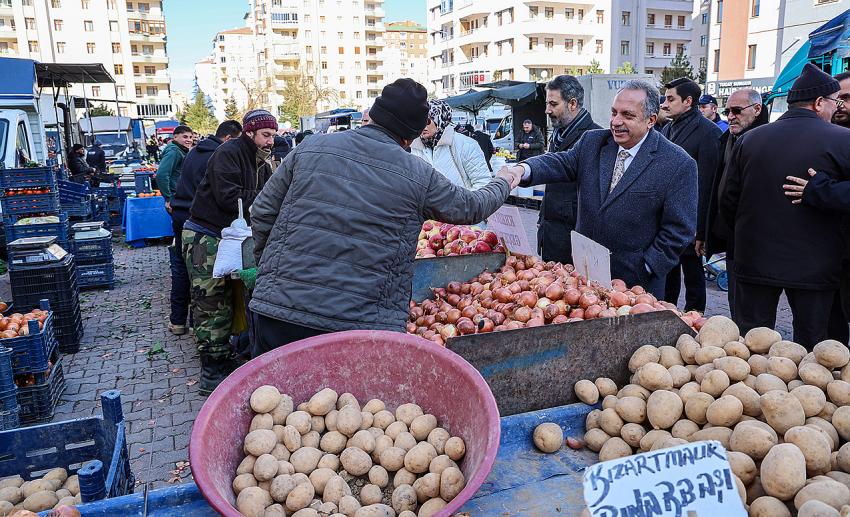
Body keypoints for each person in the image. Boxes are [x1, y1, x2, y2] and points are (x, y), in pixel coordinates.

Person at [248, 79, 515, 356]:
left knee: (274, 397)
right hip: (361, 325)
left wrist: (271, 270)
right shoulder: (417, 174)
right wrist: (504, 181)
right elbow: (471, 207)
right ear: (410, 135)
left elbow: (262, 211)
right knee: (351, 399)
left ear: (373, 114)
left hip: (279, 313)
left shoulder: (309, 148)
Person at [501, 80, 698, 297]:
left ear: (650, 120)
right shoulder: (593, 142)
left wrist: (647, 266)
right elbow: (560, 162)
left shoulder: (678, 163)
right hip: (585, 278)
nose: (616, 122)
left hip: (636, 287)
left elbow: (679, 230)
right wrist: (522, 170)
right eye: (614, 113)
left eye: (627, 115)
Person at [719, 64, 850, 348]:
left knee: (752, 344)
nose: (836, 109)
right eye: (834, 102)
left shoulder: (749, 140)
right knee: (815, 347)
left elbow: (727, 199)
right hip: (817, 263)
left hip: (754, 259)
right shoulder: (844, 140)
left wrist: (746, 232)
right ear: (818, 103)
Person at [182, 110, 276, 393]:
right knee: (211, 302)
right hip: (206, 236)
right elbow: (228, 198)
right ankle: (211, 372)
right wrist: (270, 200)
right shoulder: (229, 153)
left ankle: (225, 358)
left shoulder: (263, 163)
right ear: (249, 133)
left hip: (233, 239)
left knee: (230, 301)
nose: (271, 141)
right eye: (266, 135)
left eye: (273, 135)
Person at [782, 71, 850, 345]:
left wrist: (821, 191)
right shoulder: (826, 135)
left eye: (847, 98)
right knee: (830, 337)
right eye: (840, 98)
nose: (842, 105)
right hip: (827, 260)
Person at [167, 120, 243, 337]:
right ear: (228, 139)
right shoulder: (218, 157)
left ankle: (179, 321)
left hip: (182, 217)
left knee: (184, 270)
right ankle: (196, 326)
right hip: (198, 224)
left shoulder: (194, 151)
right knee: (200, 277)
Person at [704, 88, 770, 320]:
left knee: (754, 312)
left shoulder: (766, 140)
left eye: (737, 110)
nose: (730, 116)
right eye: (728, 110)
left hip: (756, 241)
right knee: (737, 305)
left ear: (757, 109)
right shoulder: (727, 139)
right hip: (733, 237)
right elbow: (716, 189)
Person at [660, 78, 722, 313]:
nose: (665, 104)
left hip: (692, 220)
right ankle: (667, 313)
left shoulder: (709, 133)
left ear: (688, 102)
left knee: (694, 273)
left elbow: (708, 184)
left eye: (670, 99)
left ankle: (695, 318)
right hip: (667, 217)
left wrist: (701, 230)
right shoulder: (667, 128)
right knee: (668, 271)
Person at [537, 75, 601, 264]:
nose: (547, 110)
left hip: (573, 244)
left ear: (572, 104)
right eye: (547, 103)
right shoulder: (558, 135)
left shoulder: (594, 138)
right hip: (551, 237)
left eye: (553, 104)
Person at [410, 100, 492, 190]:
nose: (423, 125)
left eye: (428, 121)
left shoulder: (465, 144)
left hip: (462, 202)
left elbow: (483, 182)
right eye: (419, 120)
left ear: (440, 119)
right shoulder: (414, 147)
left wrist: (464, 202)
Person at [158, 125, 193, 213]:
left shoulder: (180, 150)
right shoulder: (174, 151)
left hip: (179, 196)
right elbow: (161, 175)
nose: (189, 140)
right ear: (175, 137)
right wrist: (168, 198)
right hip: (176, 197)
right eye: (185, 137)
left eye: (190, 137)